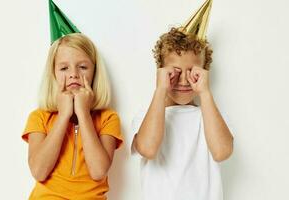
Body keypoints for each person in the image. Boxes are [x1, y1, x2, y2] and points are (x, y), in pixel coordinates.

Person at [131, 0, 233, 199]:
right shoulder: (147, 115)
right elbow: (148, 149)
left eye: (193, 71)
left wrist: (205, 93)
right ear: (161, 72)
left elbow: (222, 152)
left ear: (204, 72)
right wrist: (160, 90)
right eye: (175, 71)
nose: (184, 80)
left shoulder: (211, 116)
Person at [22, 1, 123, 199]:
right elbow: (39, 171)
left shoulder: (108, 119)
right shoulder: (39, 118)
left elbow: (98, 171)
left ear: (95, 73)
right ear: (53, 73)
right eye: (64, 68)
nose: (74, 75)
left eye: (83, 67)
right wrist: (64, 115)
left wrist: (83, 113)